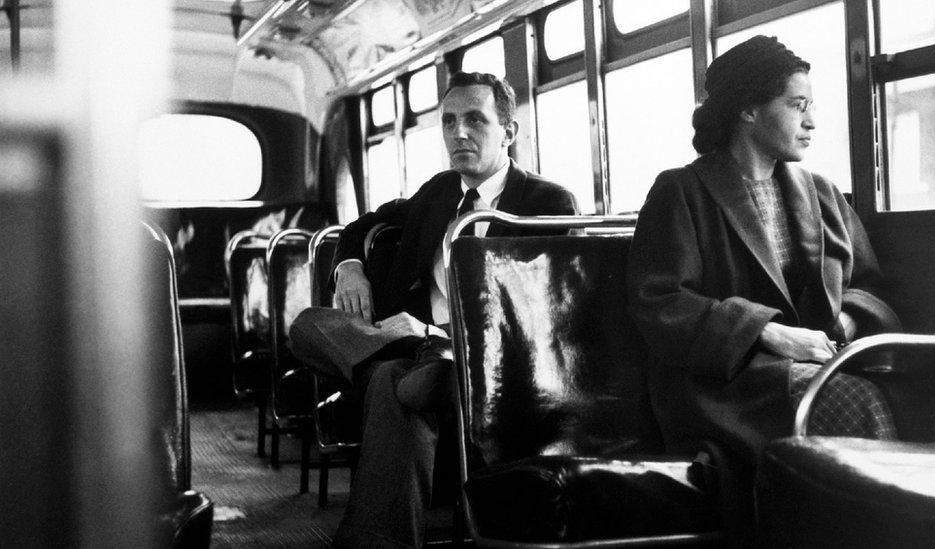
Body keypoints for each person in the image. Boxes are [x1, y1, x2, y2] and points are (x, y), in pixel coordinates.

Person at [290, 71, 578, 548]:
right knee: (308, 325)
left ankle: (429, 354)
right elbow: (367, 221)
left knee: (389, 383)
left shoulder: (546, 203)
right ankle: (422, 353)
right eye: (448, 122)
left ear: (509, 132)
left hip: (487, 366)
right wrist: (350, 267)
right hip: (414, 353)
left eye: (474, 120)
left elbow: (534, 320)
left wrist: (434, 329)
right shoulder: (439, 193)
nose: (458, 133)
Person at [626, 35, 902, 467]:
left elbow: (869, 287)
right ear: (749, 109)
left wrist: (843, 325)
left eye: (811, 106)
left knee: (930, 398)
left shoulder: (823, 193)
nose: (812, 122)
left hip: (823, 363)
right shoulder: (681, 191)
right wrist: (767, 333)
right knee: (857, 403)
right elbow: (661, 303)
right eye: (797, 105)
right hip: (728, 384)